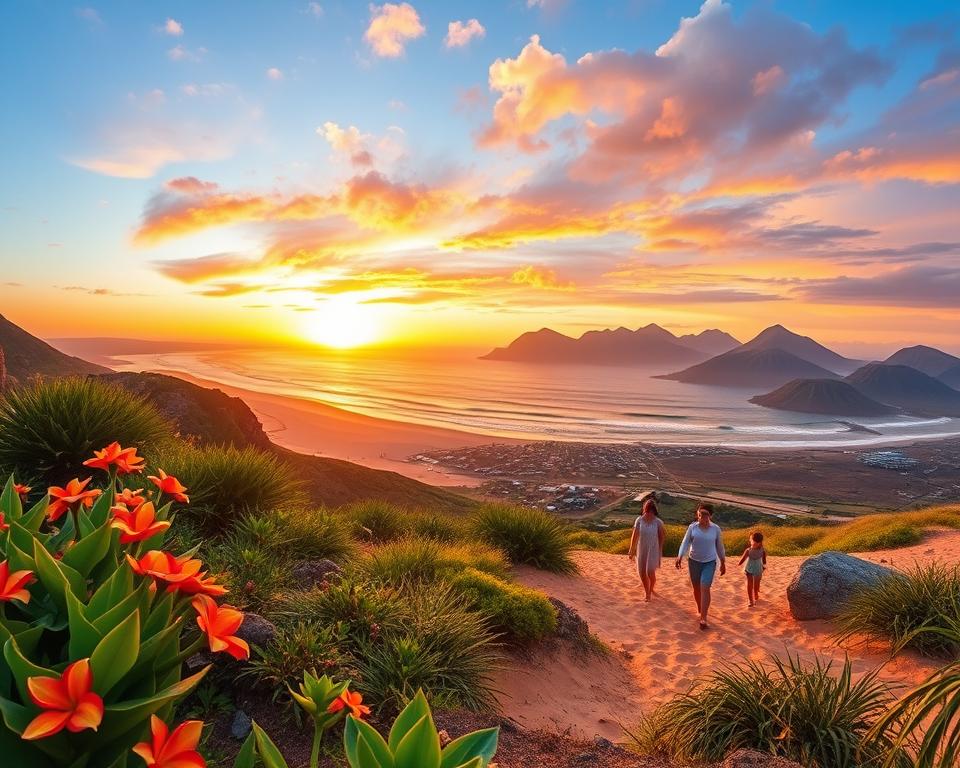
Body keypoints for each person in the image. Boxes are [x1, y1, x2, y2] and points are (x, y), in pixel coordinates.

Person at [675, 502, 726, 630]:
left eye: (705, 514)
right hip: (694, 561)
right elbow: (685, 543)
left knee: (705, 586)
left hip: (709, 562)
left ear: (710, 516)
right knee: (696, 587)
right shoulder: (693, 527)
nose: (702, 517)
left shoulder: (715, 529)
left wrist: (723, 562)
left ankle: (703, 618)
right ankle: (700, 608)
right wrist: (680, 556)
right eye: (699, 514)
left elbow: (720, 547)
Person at [627, 498, 666, 601]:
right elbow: (634, 536)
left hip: (653, 550)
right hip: (641, 549)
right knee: (642, 572)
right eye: (648, 510)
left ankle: (651, 589)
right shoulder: (639, 520)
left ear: (654, 511)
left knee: (650, 572)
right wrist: (631, 549)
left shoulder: (658, 522)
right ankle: (647, 593)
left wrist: (660, 550)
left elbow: (662, 537)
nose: (650, 513)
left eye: (652, 510)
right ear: (645, 509)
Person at [737, 531, 767, 607]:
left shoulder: (749, 550)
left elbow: (742, 560)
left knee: (754, 584)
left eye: (753, 541)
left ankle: (755, 595)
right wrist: (764, 566)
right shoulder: (761, 550)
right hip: (753, 569)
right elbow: (764, 561)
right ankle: (751, 600)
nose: (753, 543)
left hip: (754, 568)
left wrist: (739, 563)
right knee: (751, 584)